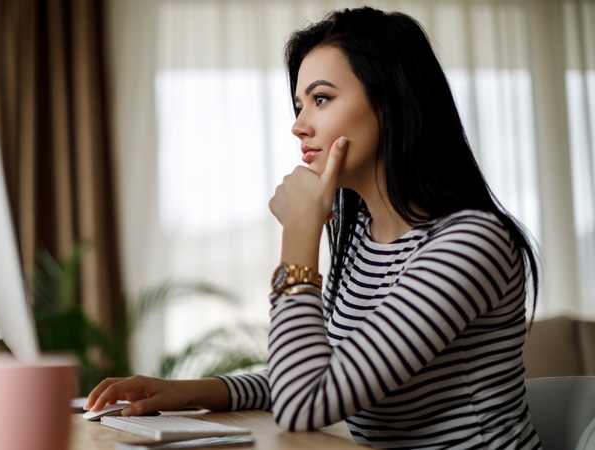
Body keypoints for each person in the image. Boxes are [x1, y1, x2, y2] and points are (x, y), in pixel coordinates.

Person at [86, 6, 542, 449]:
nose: (298, 126)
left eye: (321, 99)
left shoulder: (470, 242)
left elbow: (302, 402)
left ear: (392, 103)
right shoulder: (363, 235)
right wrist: (188, 392)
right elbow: (318, 374)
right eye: (299, 104)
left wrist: (299, 233)